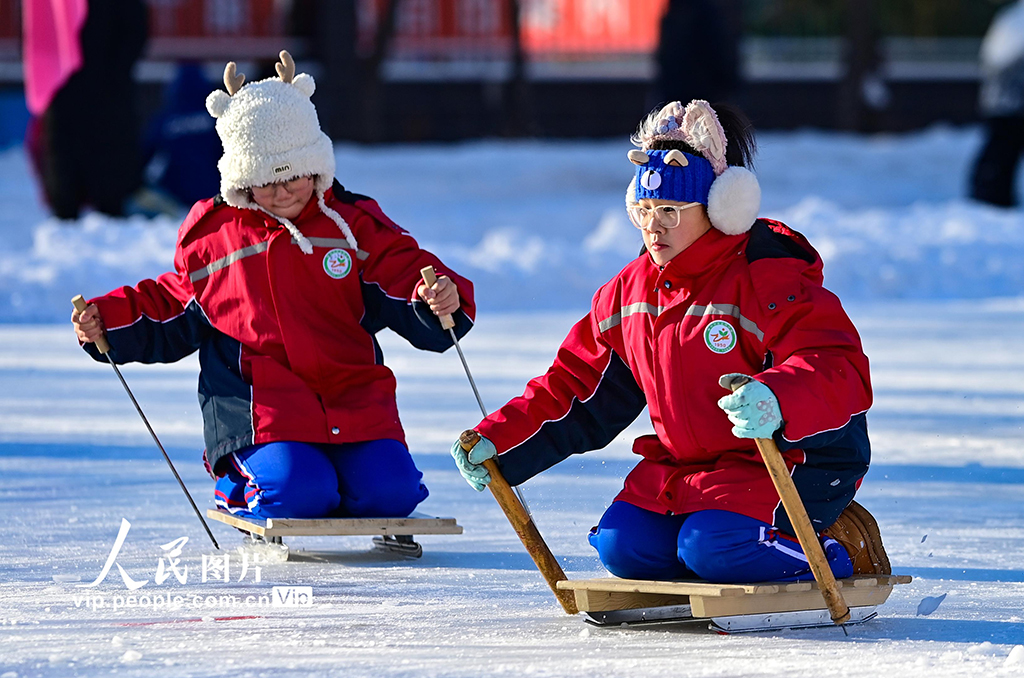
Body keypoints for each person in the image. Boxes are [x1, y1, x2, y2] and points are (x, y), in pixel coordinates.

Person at [451, 100, 889, 584]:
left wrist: (778, 397)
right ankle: (728, 551)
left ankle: (842, 551)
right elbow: (575, 387)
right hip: (688, 469)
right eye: (643, 210)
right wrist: (500, 439)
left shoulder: (766, 277)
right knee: (625, 548)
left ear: (720, 208)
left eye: (670, 211)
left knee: (716, 548)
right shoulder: (628, 294)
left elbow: (835, 364)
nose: (653, 225)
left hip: (791, 459)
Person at [72, 52, 475, 521]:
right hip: (260, 403)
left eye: (293, 177)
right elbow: (174, 301)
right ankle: (241, 485)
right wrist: (111, 319)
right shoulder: (215, 235)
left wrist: (438, 295)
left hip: (351, 393)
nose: (283, 194)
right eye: (266, 182)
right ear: (242, 177)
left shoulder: (352, 224)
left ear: (314, 163)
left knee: (391, 496)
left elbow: (402, 269)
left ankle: (339, 482)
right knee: (297, 496)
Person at [969, 0, 1024, 208]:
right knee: (999, 158)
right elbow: (998, 59)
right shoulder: (1016, 21)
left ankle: (989, 201)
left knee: (998, 158)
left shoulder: (1013, 18)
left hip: (1004, 104)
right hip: (1009, 106)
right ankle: (989, 203)